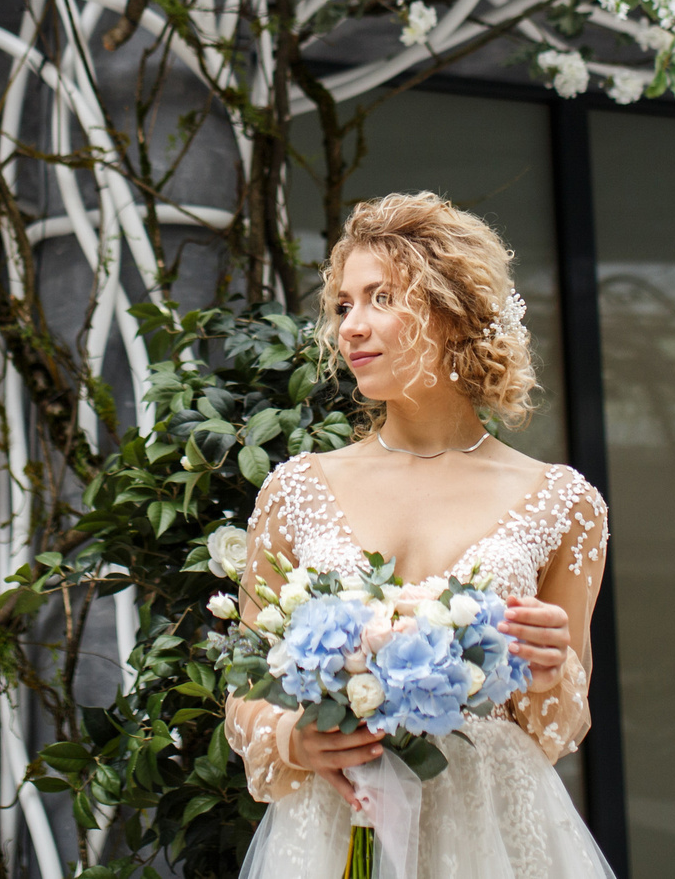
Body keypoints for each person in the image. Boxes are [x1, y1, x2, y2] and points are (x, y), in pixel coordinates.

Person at [224, 192, 616, 879]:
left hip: (491, 835)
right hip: (334, 832)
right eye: (344, 304)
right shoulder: (294, 489)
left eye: (381, 297)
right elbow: (246, 688)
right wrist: (292, 736)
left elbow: (554, 730)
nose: (352, 325)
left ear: (450, 308)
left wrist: (553, 669)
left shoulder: (564, 503)